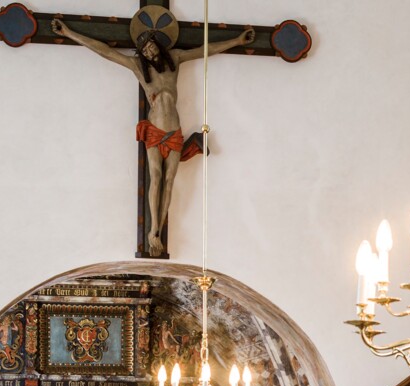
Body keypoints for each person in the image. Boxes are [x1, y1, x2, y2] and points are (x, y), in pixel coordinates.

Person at [51, 10, 256, 257]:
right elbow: (105, 51)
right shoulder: (138, 67)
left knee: (170, 181)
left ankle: (159, 225)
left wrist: (236, 41)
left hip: (174, 131)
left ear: (158, 43)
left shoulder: (176, 59)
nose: (148, 53)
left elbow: (205, 50)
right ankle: (153, 231)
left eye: (150, 47)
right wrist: (69, 33)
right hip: (155, 132)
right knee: (156, 177)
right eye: (145, 52)